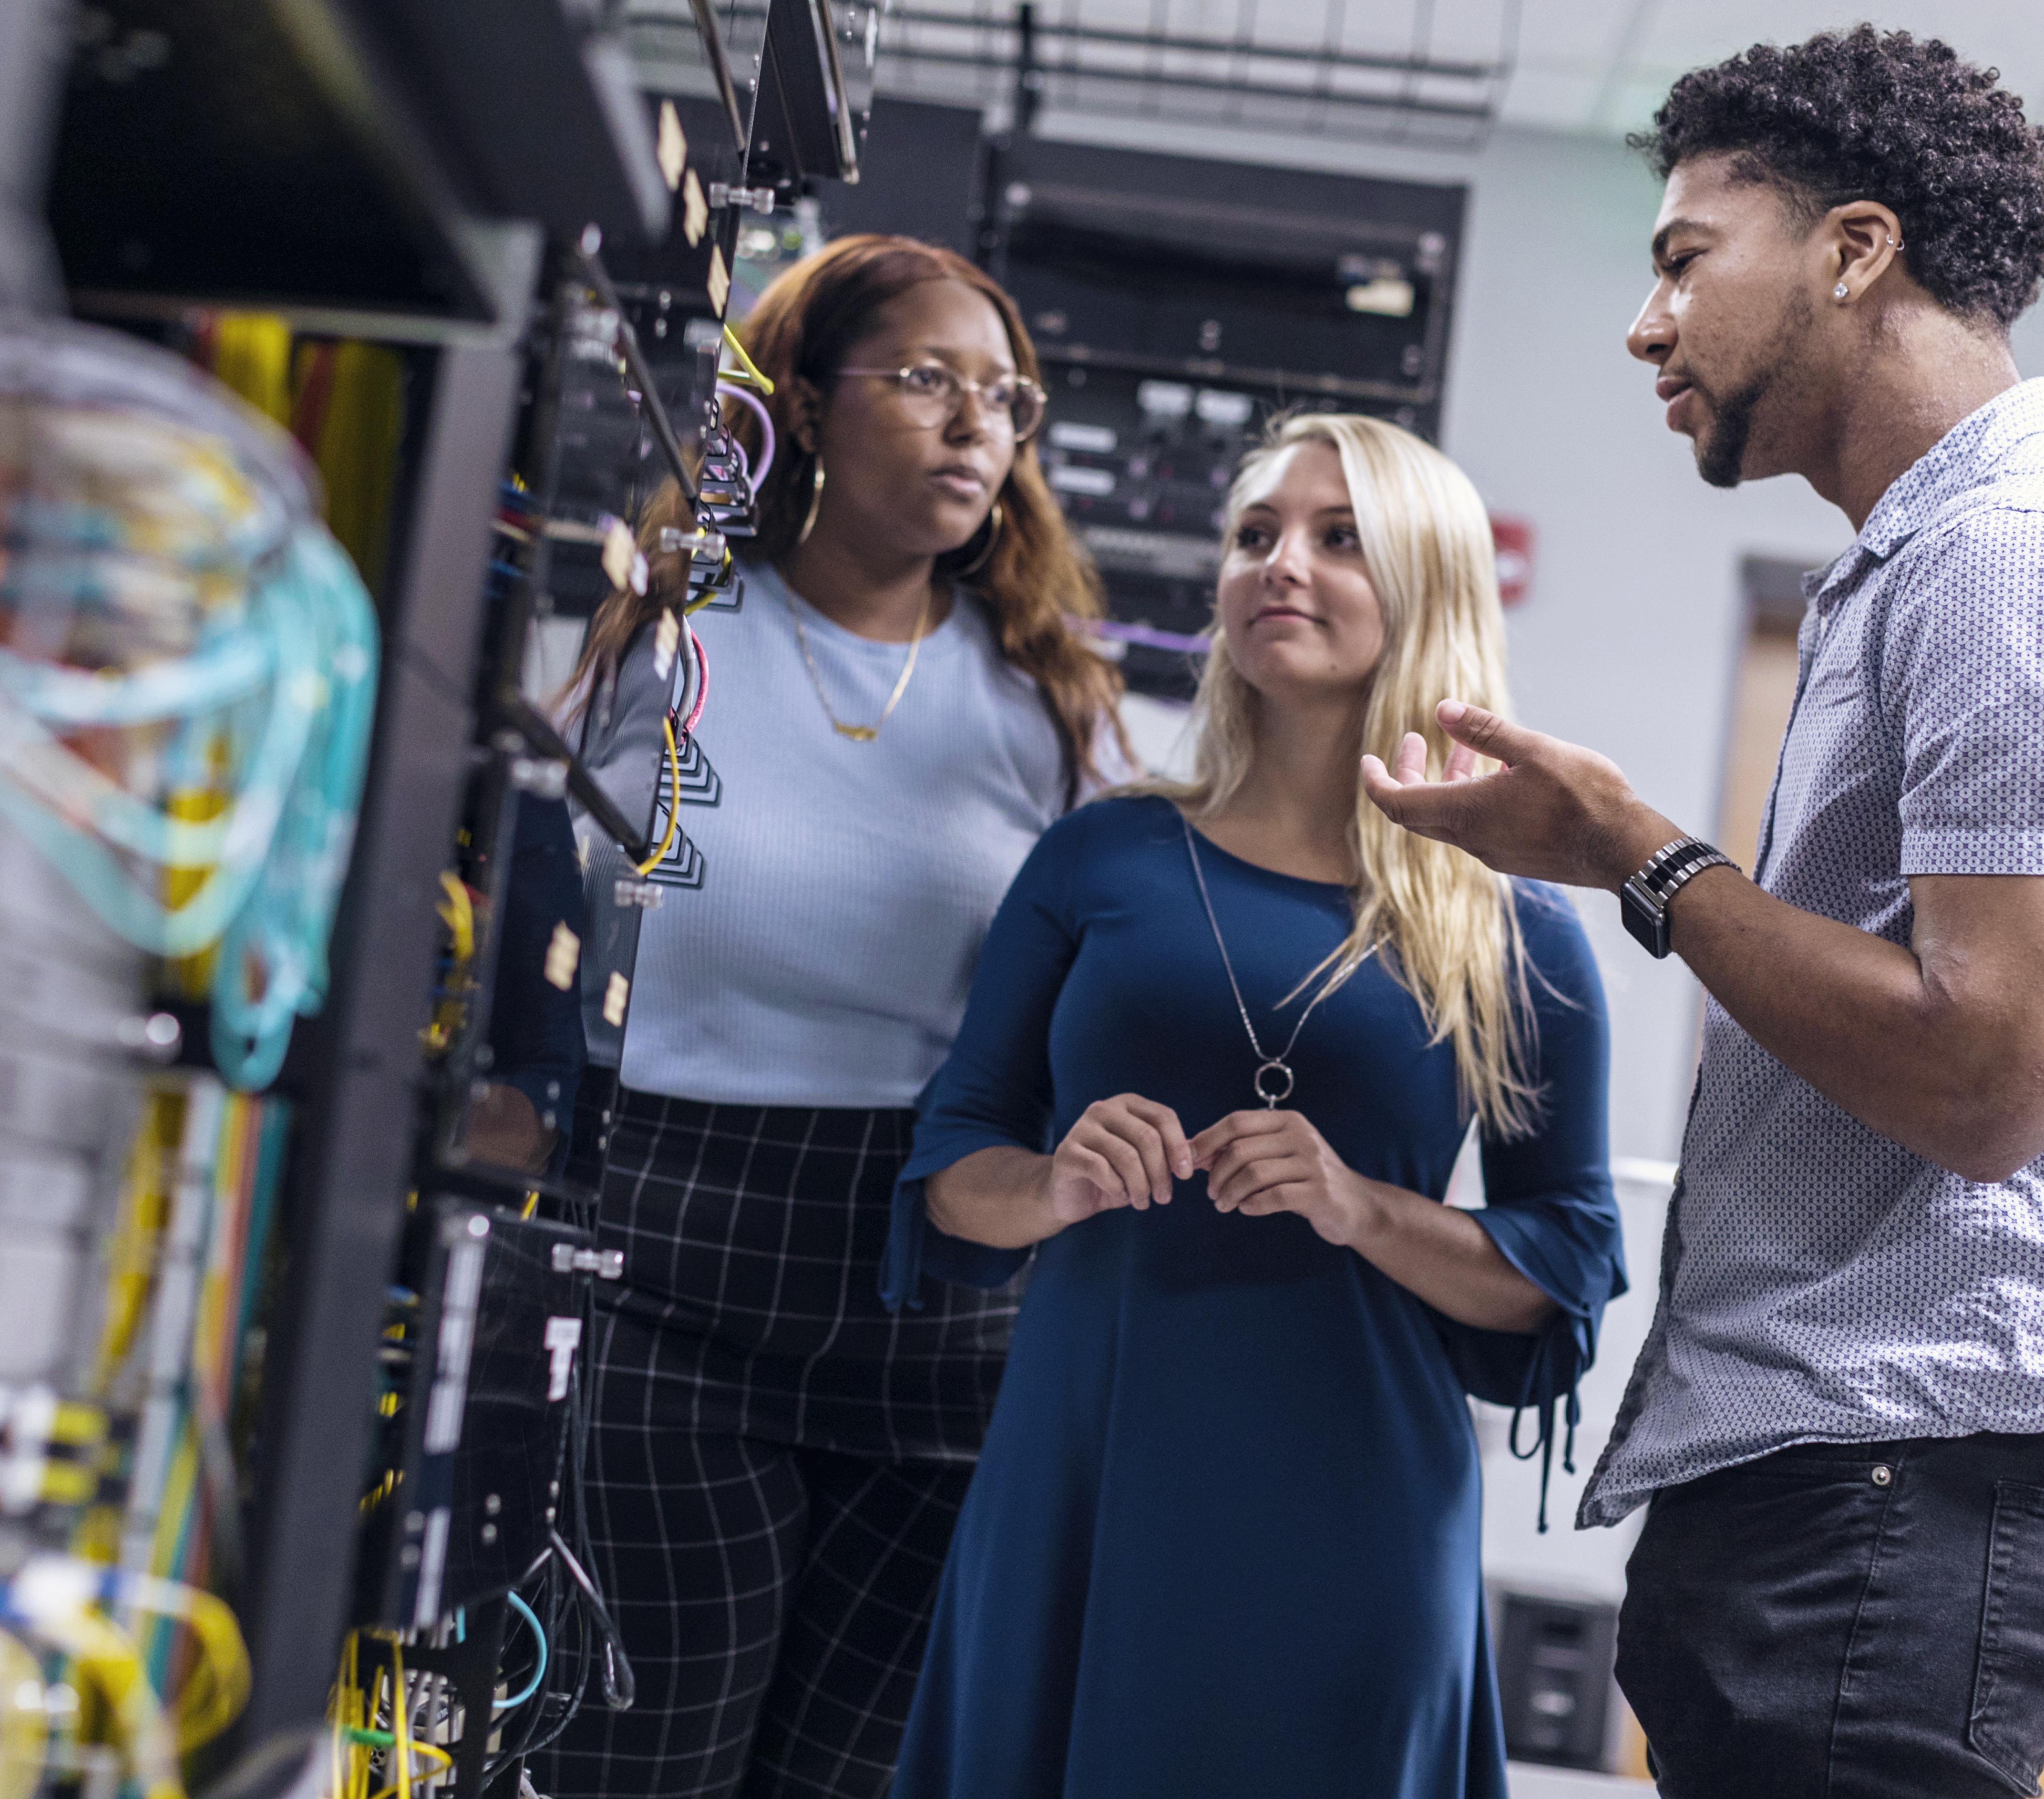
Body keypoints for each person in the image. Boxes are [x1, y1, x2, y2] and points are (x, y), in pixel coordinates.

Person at [1361, 29, 2044, 1799]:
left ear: (1851, 249)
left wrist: (1637, 856)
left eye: (1679, 261)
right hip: (1871, 1475)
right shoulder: (1920, 561)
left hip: (1914, 1470)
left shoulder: (2011, 559)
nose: (1647, 325)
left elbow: (1992, 1077)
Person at [885, 411, 1628, 1798]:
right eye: (1254, 535)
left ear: (1428, 588)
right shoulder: (1101, 854)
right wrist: (1049, 1183)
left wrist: (1360, 1208)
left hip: (1350, 1510)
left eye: (1339, 538)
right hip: (1085, 1481)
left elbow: (1562, 1269)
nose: (1282, 564)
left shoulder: (1518, 929)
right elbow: (950, 1163)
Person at [535, 235, 1128, 1799]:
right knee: (636, 1762)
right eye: (924, 379)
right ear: (800, 402)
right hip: (672, 1265)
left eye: (1003, 398)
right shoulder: (668, 644)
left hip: (942, 1291)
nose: (971, 426)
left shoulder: (1047, 701)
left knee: (851, 1781)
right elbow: (525, 919)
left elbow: (1100, 994)